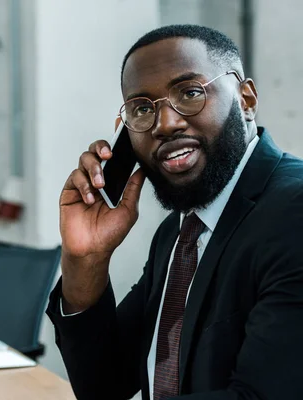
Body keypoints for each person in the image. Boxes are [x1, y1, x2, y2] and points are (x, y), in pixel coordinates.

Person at [47, 24, 303, 400]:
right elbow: (104, 386)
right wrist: (85, 260)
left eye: (190, 93)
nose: (165, 124)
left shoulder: (293, 213)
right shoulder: (180, 231)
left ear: (246, 99)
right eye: (142, 109)